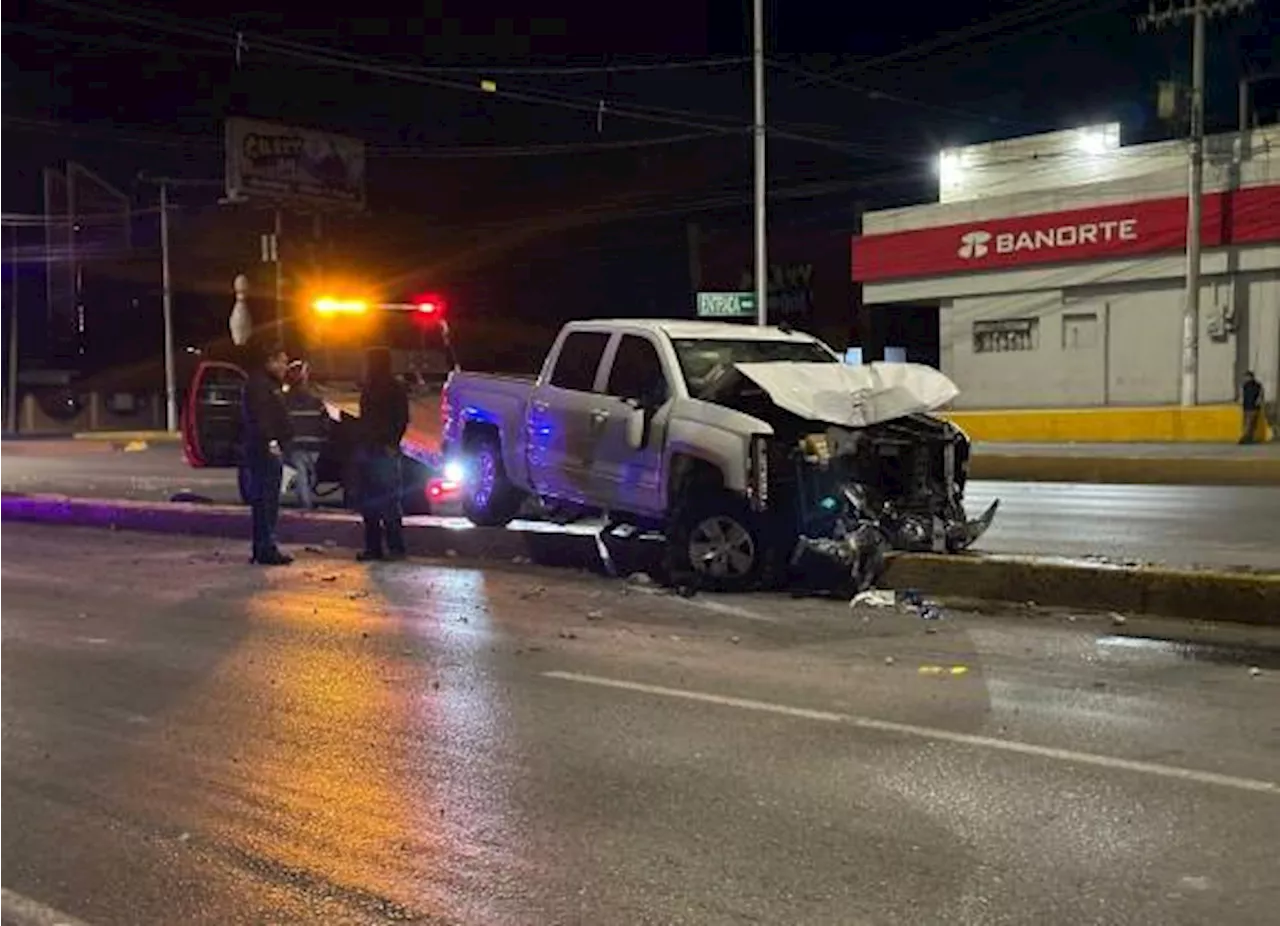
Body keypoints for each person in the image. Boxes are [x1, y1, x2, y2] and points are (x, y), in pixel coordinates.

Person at [242, 346, 294, 565]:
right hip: (264, 452)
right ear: (269, 362)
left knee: (266, 502)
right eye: (282, 362)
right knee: (266, 502)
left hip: (265, 449)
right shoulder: (260, 385)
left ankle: (263, 547)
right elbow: (263, 418)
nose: (285, 367)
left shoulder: (267, 384)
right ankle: (265, 548)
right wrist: (272, 443)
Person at [356, 347, 409, 561]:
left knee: (383, 501)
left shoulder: (387, 387)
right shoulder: (377, 386)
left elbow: (400, 419)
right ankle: (380, 547)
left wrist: (390, 443)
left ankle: (387, 547)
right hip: (374, 449)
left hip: (380, 450)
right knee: (377, 501)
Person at [283, 360, 329, 509]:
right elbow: (326, 423)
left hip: (295, 445)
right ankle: (306, 502)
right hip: (314, 446)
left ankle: (305, 504)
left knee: (302, 474)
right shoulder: (317, 401)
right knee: (307, 475)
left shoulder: (284, 401)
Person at [1240, 371, 1265, 444]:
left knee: (1250, 423)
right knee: (1249, 423)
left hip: (1253, 407)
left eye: (1246, 377)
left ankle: (1246, 438)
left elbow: (1261, 394)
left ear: (1250, 377)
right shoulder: (1245, 385)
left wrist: (1258, 401)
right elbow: (1243, 395)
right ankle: (1248, 438)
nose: (1245, 378)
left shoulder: (1257, 385)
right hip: (1247, 406)